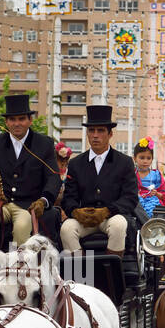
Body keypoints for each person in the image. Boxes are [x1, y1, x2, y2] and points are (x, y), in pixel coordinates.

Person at [0, 92, 59, 247]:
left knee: (21, 226)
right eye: (12, 120)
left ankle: (19, 264)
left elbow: (53, 178)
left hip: (28, 206)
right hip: (4, 204)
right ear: (6, 122)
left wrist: (43, 200)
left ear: (30, 120)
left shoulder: (44, 144)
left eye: (21, 119)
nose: (17, 123)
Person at [59, 104, 138, 256]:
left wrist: (108, 211)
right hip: (85, 219)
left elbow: (130, 197)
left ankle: (111, 273)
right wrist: (76, 213)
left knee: (119, 225)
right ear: (87, 133)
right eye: (91, 130)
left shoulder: (125, 162)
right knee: (66, 228)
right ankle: (80, 273)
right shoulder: (76, 163)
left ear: (110, 134)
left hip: (111, 217)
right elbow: (69, 198)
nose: (95, 135)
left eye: (100, 130)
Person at [133, 138, 165, 216]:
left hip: (154, 207)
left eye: (148, 158)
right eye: (142, 158)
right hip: (136, 205)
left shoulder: (156, 175)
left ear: (152, 159)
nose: (145, 161)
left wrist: (156, 194)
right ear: (134, 158)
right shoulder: (131, 175)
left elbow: (163, 196)